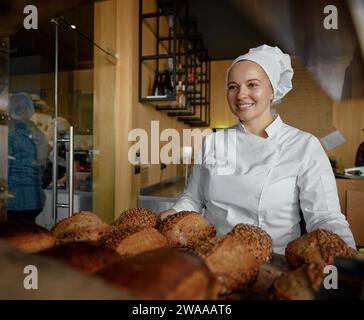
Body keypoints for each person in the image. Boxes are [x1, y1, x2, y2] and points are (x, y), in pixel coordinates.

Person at [160, 44, 356, 254]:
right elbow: (193, 198)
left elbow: (325, 217)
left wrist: (346, 260)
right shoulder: (214, 142)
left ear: (272, 90)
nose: (240, 95)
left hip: (273, 264)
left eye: (252, 84)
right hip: (211, 257)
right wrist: (173, 212)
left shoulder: (304, 146)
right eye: (233, 86)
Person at [8, 92, 48, 222]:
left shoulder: (10, 133)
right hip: (35, 199)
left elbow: (5, 168)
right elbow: (41, 166)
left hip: (14, 200)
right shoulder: (39, 133)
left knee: (13, 238)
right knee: (29, 235)